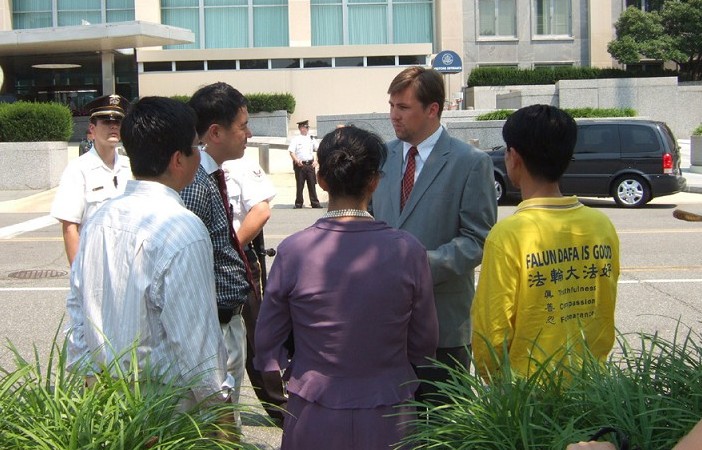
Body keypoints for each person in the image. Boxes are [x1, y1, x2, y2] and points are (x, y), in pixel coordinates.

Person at [255, 126, 439, 449]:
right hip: (390, 406)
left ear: (321, 180)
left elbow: (268, 340)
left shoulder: (294, 251)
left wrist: (283, 369)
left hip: (314, 407)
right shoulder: (408, 250)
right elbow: (424, 341)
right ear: (375, 181)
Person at [65, 96, 234, 412]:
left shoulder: (99, 219)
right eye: (196, 146)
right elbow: (197, 344)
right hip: (166, 410)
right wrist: (219, 407)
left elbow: (77, 307)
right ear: (178, 159)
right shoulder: (184, 230)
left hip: (106, 401)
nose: (200, 154)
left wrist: (88, 377)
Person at [371, 66, 497, 399]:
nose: (393, 115)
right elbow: (367, 219)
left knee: (444, 419)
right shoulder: (381, 158)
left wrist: (419, 265)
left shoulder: (470, 162)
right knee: (394, 419)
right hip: (386, 323)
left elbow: (478, 239)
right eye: (391, 105)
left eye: (403, 107)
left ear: (432, 110)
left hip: (444, 324)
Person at [471, 104, 619, 381]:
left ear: (514, 157)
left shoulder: (508, 234)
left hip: (526, 391)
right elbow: (603, 312)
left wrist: (494, 379)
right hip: (591, 384)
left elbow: (491, 331)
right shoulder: (601, 226)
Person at [180, 82, 254, 431]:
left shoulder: (209, 176)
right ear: (215, 132)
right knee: (214, 427)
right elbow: (188, 265)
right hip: (211, 329)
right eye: (242, 126)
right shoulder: (195, 184)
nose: (248, 134)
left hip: (226, 323)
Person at [222, 156, 288, 422]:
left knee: (254, 336)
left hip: (237, 258)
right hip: (201, 258)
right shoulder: (193, 159)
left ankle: (280, 407)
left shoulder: (241, 164)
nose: (247, 136)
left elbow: (261, 211)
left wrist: (228, 249)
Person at [51, 94, 132, 265]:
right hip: (94, 264)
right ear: (92, 129)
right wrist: (78, 273)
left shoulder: (130, 167)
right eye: (106, 121)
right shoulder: (78, 169)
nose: (113, 126)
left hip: (126, 264)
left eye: (117, 122)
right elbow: (70, 227)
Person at [288, 119, 322, 209]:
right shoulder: (296, 139)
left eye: (307, 127)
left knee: (312, 184)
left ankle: (315, 203)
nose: (306, 129)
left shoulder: (311, 138)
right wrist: (296, 160)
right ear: (300, 128)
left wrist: (317, 161)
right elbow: (291, 152)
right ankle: (298, 203)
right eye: (304, 127)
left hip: (310, 165)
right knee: (300, 185)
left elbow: (319, 149)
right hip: (300, 165)